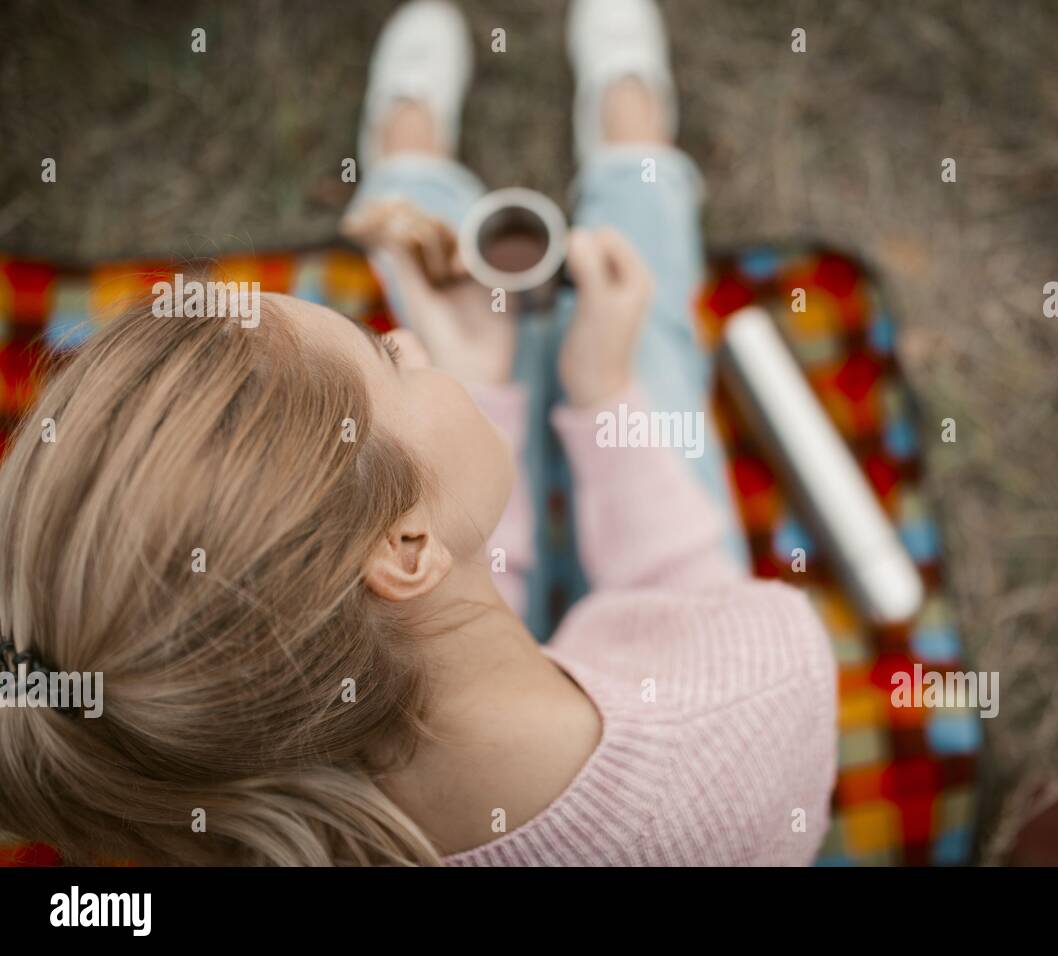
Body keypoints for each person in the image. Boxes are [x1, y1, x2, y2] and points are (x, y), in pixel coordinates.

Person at [0, 0, 836, 866]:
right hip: (631, 654)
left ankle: (417, 160)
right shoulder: (760, 687)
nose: (403, 336)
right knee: (645, 325)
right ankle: (629, 148)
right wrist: (604, 394)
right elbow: (681, 588)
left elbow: (431, 610)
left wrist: (478, 392)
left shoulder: (242, 801)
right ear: (404, 547)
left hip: (452, 635)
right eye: (384, 355)